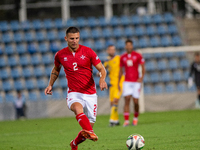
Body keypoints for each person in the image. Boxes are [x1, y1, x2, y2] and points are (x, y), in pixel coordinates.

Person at [44, 27, 108, 150]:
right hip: (74, 93)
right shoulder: (60, 55)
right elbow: (56, 69)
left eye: (77, 38)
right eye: (72, 38)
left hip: (90, 94)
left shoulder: (88, 52)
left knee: (86, 131)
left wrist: (102, 79)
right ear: (66, 38)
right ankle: (90, 131)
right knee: (78, 109)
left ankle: (74, 143)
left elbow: (101, 69)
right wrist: (50, 84)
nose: (74, 41)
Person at [118, 39, 145, 127]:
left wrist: (141, 77)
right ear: (125, 46)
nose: (129, 47)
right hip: (127, 81)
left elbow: (143, 66)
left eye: (130, 45)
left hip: (136, 82)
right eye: (127, 45)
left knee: (136, 101)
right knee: (127, 100)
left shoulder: (138, 55)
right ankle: (126, 121)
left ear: (132, 46)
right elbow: (121, 70)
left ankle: (135, 119)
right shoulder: (122, 57)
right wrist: (119, 82)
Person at [103, 44, 124, 126]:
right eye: (110, 50)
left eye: (113, 50)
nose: (112, 51)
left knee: (115, 101)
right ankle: (116, 120)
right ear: (107, 51)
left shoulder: (119, 58)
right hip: (112, 84)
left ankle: (112, 121)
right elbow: (104, 69)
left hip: (119, 83)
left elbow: (122, 70)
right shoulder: (107, 60)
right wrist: (99, 73)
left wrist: (119, 83)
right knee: (112, 103)